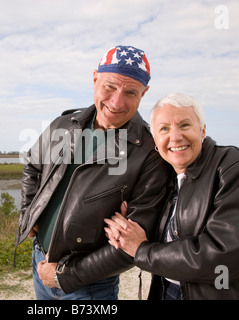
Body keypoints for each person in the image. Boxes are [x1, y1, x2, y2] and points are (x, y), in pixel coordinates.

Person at [14, 45, 172, 300]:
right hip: (40, 259)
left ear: (144, 93)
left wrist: (64, 276)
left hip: (89, 283)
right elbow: (33, 165)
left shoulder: (150, 154)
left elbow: (133, 245)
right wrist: (28, 212)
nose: (117, 102)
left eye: (130, 92)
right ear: (95, 78)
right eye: (110, 87)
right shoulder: (65, 124)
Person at [105, 93, 239, 299]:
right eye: (164, 129)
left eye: (185, 125)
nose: (176, 137)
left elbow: (223, 257)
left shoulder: (236, 167)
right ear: (155, 140)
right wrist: (128, 222)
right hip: (166, 290)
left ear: (202, 130)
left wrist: (142, 250)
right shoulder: (167, 175)